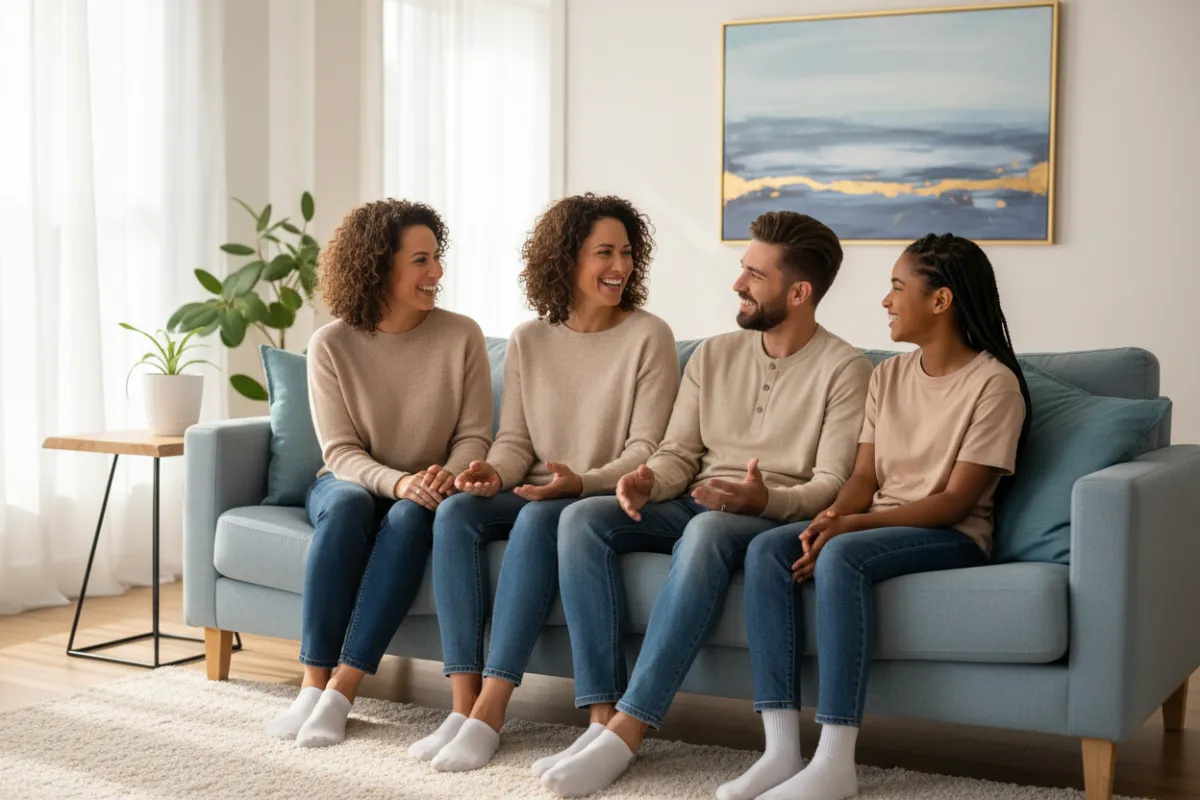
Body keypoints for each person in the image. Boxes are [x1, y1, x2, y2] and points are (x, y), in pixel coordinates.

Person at [538, 212, 874, 797]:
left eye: (753, 275)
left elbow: (829, 483)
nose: (738, 284)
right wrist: (647, 481)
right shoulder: (713, 356)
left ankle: (630, 729)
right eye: (742, 269)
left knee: (709, 531)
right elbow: (677, 454)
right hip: (696, 502)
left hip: (768, 517)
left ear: (799, 293)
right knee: (581, 519)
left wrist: (766, 498)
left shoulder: (846, 369)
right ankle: (600, 717)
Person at [720, 233, 1031, 800]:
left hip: (952, 534)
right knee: (768, 548)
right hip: (880, 521)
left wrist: (848, 528)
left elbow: (957, 501)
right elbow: (864, 479)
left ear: (940, 301)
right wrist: (828, 517)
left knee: (843, 552)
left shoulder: (994, 385)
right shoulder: (887, 375)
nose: (885, 301)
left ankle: (836, 761)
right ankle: (781, 750)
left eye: (896, 287)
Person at [410, 194, 680, 772]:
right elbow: (515, 444)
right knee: (456, 511)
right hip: (536, 487)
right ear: (565, 259)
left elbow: (645, 450)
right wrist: (488, 473)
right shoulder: (529, 339)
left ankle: (492, 709)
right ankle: (462, 705)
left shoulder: (649, 336)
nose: (620, 266)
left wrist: (580, 481)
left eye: (628, 253)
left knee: (538, 515)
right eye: (604, 252)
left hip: (597, 494)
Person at [265, 199, 493, 747]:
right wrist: (398, 482)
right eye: (421, 260)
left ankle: (342, 690)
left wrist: (442, 476)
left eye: (437, 258)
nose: (436, 272)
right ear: (378, 265)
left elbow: (474, 435)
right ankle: (312, 683)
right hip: (349, 482)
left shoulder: (461, 335)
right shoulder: (332, 343)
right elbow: (340, 451)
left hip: (425, 487)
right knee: (346, 507)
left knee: (413, 519)